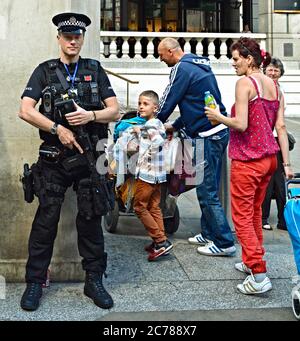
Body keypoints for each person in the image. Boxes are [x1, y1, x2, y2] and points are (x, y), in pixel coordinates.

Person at [19, 12, 120, 311]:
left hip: (90, 156)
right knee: (45, 221)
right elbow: (25, 110)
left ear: (83, 39)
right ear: (59, 38)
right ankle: (35, 282)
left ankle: (94, 280)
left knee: (90, 219)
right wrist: (57, 128)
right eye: (67, 36)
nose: (72, 40)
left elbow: (114, 110)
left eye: (77, 36)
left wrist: (91, 116)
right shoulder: (44, 71)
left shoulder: (95, 69)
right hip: (55, 158)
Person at [205, 37, 294, 295]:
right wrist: (286, 165)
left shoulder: (245, 82)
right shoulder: (276, 87)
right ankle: (251, 260)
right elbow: (280, 127)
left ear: (249, 59)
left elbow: (241, 124)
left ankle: (258, 274)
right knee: (255, 213)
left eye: (235, 59)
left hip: (248, 160)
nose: (233, 64)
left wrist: (218, 117)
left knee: (242, 217)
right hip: (270, 159)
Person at [156, 37, 236, 257]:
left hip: (207, 136)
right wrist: (177, 125)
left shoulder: (181, 68)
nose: (160, 59)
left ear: (172, 51)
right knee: (205, 186)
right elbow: (195, 104)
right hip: (215, 132)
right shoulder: (199, 64)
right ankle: (209, 232)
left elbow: (168, 100)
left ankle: (223, 242)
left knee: (207, 191)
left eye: (161, 54)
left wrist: (153, 122)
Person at [132, 91, 173, 261]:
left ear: (155, 108)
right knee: (154, 207)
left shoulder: (150, 125)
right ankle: (159, 242)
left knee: (139, 207)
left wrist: (147, 155)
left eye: (146, 104)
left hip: (148, 174)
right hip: (159, 174)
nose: (141, 106)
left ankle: (160, 240)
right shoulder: (157, 123)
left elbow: (157, 142)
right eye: (140, 103)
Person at [262, 58, 287, 231]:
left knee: (279, 181)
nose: (272, 73)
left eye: (276, 71)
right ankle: (263, 217)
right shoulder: (259, 88)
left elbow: (281, 123)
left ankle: (283, 219)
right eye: (270, 70)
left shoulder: (280, 91)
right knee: (268, 182)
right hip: (264, 140)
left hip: (276, 139)